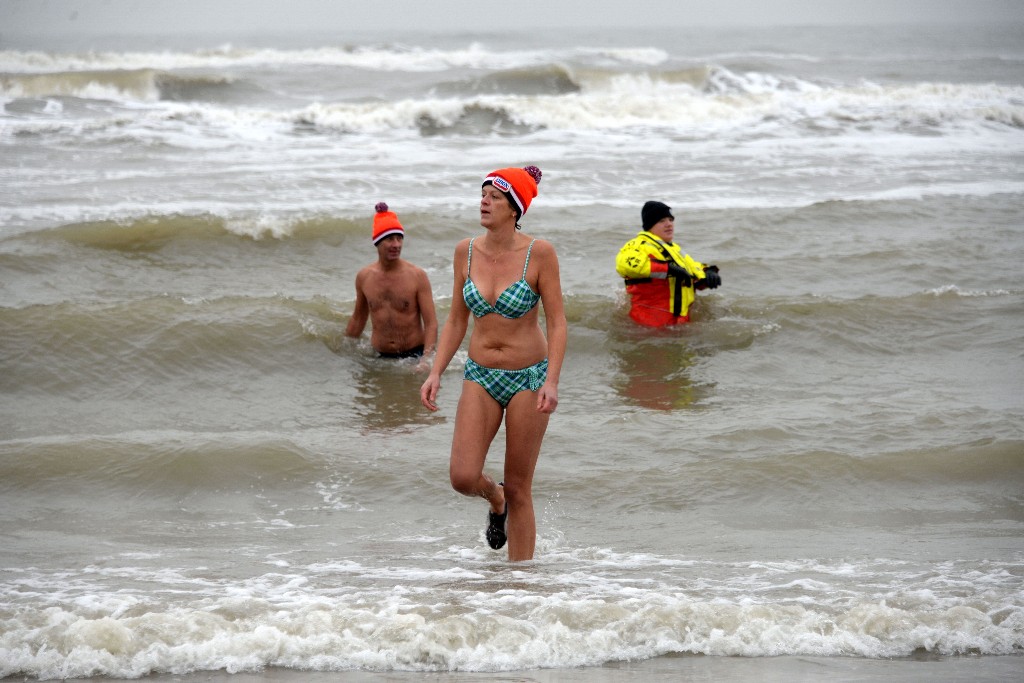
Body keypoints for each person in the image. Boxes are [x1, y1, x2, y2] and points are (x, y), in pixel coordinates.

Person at [420, 165, 566, 562]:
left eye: (494, 197)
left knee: (521, 487)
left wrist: (552, 381)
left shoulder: (539, 254)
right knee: (462, 477)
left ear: (514, 209)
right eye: (482, 194)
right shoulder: (465, 250)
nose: (483, 201)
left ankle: (520, 586)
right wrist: (435, 370)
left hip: (529, 377)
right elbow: (455, 319)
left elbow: (557, 321)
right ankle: (494, 498)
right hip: (480, 374)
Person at [346, 202, 438, 369]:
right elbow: (358, 319)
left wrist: (427, 359)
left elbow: (431, 323)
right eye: (390, 239)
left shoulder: (417, 276)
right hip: (378, 356)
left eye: (399, 238)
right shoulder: (364, 277)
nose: (396, 244)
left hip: (414, 356)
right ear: (378, 243)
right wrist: (345, 349)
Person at [614, 200, 721, 327]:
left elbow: (693, 268)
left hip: (677, 325)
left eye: (671, 220)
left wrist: (708, 273)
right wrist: (668, 269)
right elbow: (624, 264)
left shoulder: (674, 249)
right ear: (650, 225)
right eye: (662, 221)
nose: (669, 224)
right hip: (648, 327)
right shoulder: (639, 244)